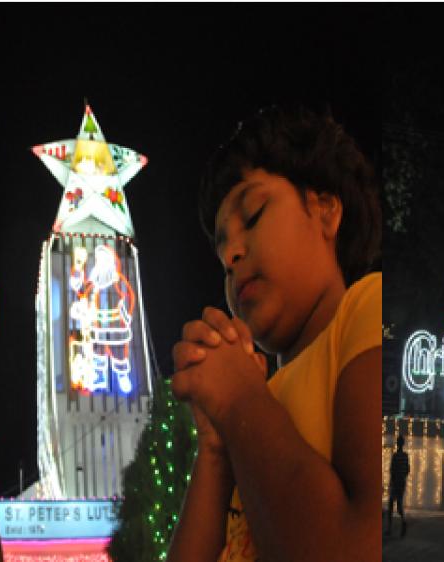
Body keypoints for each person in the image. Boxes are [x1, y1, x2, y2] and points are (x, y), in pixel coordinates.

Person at [166, 106, 381, 561]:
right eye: (222, 250)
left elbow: (355, 545)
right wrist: (214, 449)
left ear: (326, 211)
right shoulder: (260, 403)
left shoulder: (367, 308)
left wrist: (238, 399)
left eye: (255, 214)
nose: (232, 255)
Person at [387, 435, 411, 537]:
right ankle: (403, 521)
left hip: (396, 482)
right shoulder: (406, 456)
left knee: (391, 505)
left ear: (398, 443)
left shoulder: (395, 456)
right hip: (401, 482)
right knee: (399, 505)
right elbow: (407, 470)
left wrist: (391, 483)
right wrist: (403, 477)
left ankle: (389, 528)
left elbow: (392, 470)